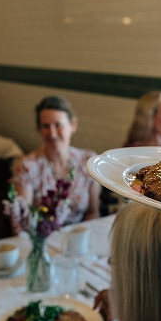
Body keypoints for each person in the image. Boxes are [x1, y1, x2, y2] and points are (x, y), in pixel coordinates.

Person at [10, 96, 100, 231]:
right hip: (42, 239)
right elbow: (22, 221)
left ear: (73, 125)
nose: (52, 133)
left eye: (58, 125)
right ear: (39, 130)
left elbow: (93, 212)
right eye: (46, 126)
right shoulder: (28, 166)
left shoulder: (87, 161)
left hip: (80, 237)